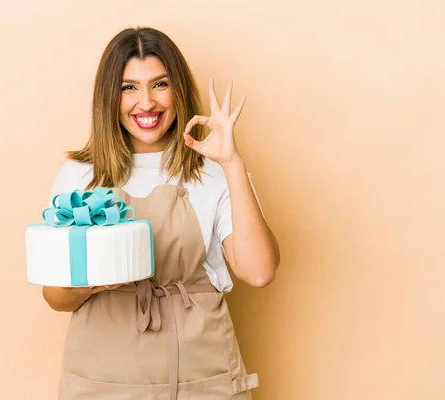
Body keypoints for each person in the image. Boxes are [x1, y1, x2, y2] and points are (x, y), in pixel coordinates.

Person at [42, 26, 280, 400]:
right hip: (101, 381)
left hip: (202, 376)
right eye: (129, 87)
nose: (147, 103)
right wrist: (99, 281)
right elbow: (55, 296)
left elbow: (260, 271)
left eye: (160, 84)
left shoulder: (214, 172)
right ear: (109, 97)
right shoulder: (79, 176)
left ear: (179, 90)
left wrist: (232, 164)